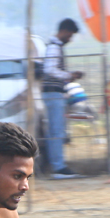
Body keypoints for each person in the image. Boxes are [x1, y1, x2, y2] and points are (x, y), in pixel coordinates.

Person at [41, 18, 80, 179]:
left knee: (55, 130)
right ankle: (59, 167)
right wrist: (68, 75)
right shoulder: (54, 47)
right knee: (56, 130)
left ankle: (56, 165)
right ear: (64, 31)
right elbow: (49, 69)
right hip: (53, 93)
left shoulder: (54, 46)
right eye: (70, 35)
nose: (70, 39)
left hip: (53, 92)